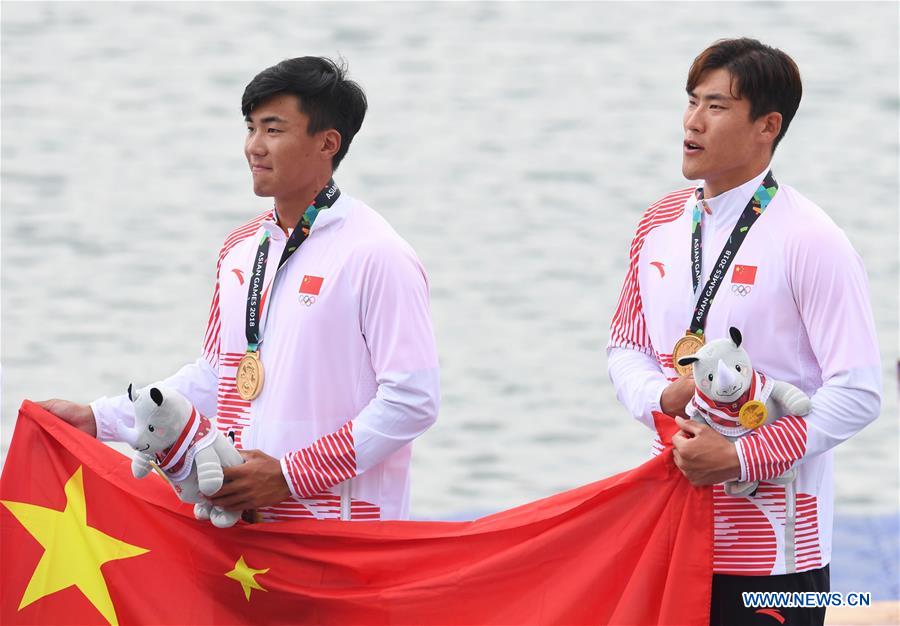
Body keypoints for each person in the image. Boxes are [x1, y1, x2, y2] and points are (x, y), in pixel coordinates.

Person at [39, 56, 440, 522]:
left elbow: (412, 401)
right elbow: (217, 377)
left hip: (341, 539)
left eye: (273, 130)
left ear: (327, 143)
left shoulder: (376, 254)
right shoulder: (240, 248)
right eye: (250, 128)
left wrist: (291, 475)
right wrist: (100, 418)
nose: (254, 147)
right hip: (241, 533)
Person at [607, 38, 881, 626]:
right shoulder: (658, 223)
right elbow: (624, 346)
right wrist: (662, 395)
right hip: (670, 530)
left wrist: (738, 457)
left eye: (717, 106)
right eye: (690, 102)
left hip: (778, 560)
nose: (692, 122)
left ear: (768, 126)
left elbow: (859, 392)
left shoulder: (812, 240)